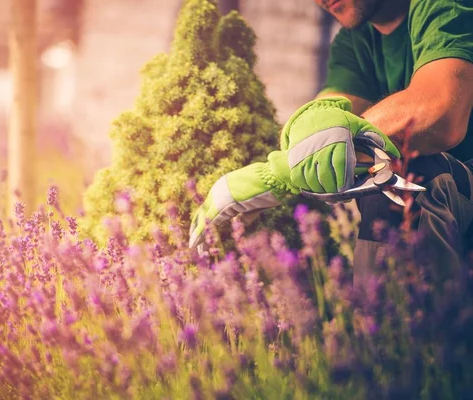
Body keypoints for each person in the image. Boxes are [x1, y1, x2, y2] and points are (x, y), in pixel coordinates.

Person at [189, 0, 473, 277]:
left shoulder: (446, 5)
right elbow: (323, 117)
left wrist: (293, 164)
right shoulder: (354, 40)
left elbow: (441, 110)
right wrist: (285, 164)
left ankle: (410, 322)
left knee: (409, 177)